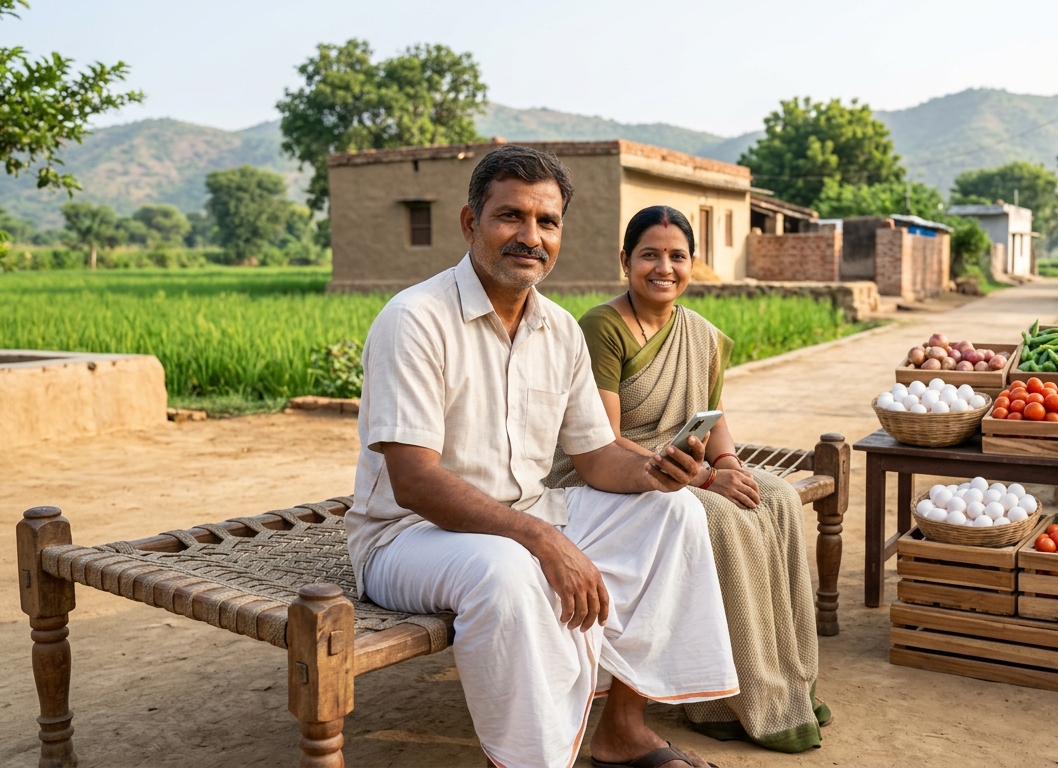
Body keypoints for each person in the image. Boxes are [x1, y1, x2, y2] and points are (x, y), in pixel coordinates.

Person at [347, 146, 737, 768]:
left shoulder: (558, 329)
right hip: (408, 538)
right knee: (508, 568)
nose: (531, 237)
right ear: (471, 223)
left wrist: (656, 472)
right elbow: (415, 482)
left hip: (526, 513)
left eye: (547, 222)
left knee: (677, 513)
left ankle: (622, 731)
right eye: (511, 217)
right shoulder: (415, 318)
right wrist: (543, 540)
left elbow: (598, 454)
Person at [547, 206, 829, 753]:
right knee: (723, 516)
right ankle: (721, 698)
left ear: (692, 265)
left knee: (775, 500)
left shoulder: (699, 333)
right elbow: (602, 437)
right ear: (624, 260)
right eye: (649, 254)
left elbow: (714, 416)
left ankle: (785, 679)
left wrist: (725, 466)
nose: (663, 267)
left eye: (677, 256)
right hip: (616, 471)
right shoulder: (602, 327)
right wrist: (701, 479)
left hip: (689, 465)